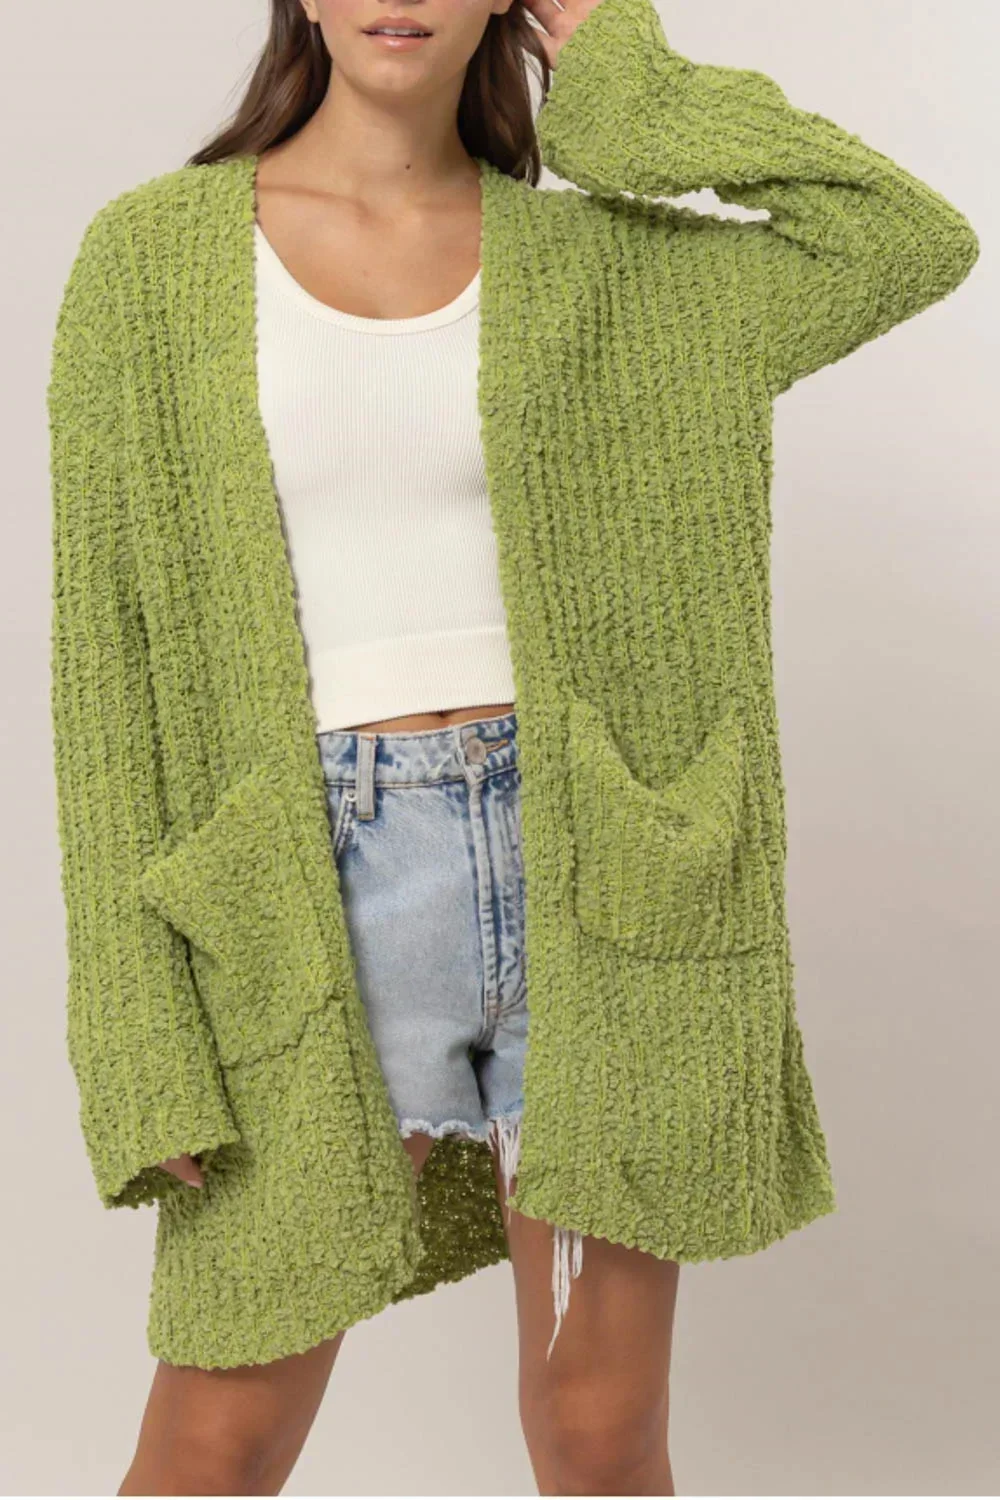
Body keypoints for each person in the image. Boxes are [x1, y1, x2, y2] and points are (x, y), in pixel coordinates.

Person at [47, 0, 978, 1492]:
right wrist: (137, 1037)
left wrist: (623, 78)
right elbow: (108, 675)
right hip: (313, 889)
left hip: (597, 875)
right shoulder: (150, 262)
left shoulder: (607, 267)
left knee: (601, 1437)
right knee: (219, 1440)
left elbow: (903, 239)